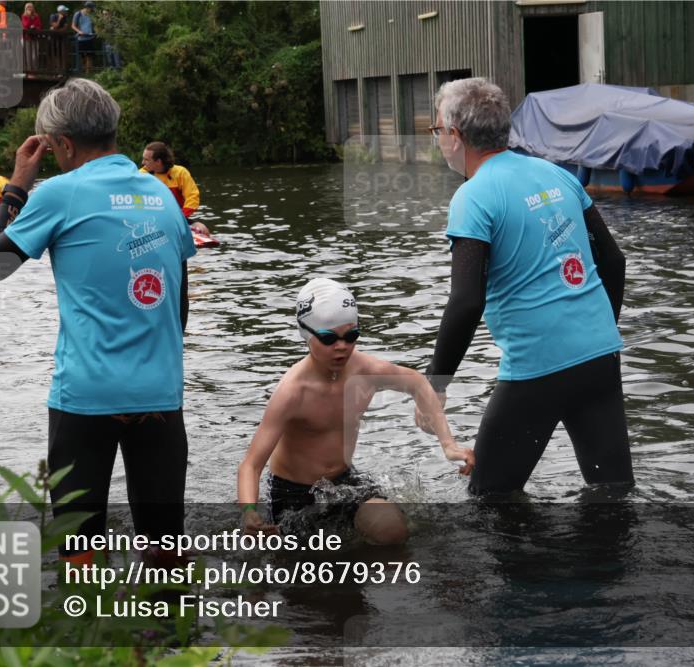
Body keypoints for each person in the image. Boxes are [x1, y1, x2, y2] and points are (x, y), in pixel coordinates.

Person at [0, 79, 197, 566]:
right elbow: (179, 305)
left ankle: (85, 635)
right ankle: (175, 639)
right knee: (166, 549)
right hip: (159, 393)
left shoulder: (58, 193)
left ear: (64, 143)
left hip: (86, 397)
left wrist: (16, 184)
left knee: (79, 551)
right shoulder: (163, 196)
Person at [418, 78, 632, 495]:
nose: (438, 140)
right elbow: (613, 261)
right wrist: (597, 331)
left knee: (488, 500)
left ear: (456, 137)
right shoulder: (558, 176)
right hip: (599, 355)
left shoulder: (473, 196)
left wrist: (435, 384)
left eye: (438, 130)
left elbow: (465, 302)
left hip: (537, 365)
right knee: (613, 494)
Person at [237, 278, 475, 544]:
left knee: (392, 531)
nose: (342, 346)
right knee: (300, 571)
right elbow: (251, 465)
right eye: (329, 338)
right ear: (306, 333)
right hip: (293, 494)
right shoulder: (292, 392)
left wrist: (449, 445)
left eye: (351, 336)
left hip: (342, 482)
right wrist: (249, 511)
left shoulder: (365, 371)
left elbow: (417, 382)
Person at [140, 141, 210, 235]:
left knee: (203, 230)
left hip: (178, 218)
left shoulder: (180, 172)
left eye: (146, 160)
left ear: (158, 162)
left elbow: (192, 197)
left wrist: (181, 217)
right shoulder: (140, 175)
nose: (142, 162)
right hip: (151, 221)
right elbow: (134, 200)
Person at [71, 0, 94, 72]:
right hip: (81, 38)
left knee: (89, 56)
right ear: (87, 7)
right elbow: (73, 25)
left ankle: (88, 72)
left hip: (90, 37)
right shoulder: (78, 14)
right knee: (81, 56)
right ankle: (81, 71)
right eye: (91, 8)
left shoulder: (92, 15)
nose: (92, 10)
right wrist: (79, 31)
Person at [20, 2, 41, 67]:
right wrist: (29, 17)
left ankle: (34, 70)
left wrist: (34, 27)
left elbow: (39, 26)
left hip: (35, 38)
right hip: (27, 38)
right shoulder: (24, 16)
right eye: (28, 7)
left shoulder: (36, 16)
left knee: (35, 56)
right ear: (25, 9)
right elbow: (25, 25)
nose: (30, 8)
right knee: (28, 55)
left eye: (31, 7)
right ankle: (28, 71)